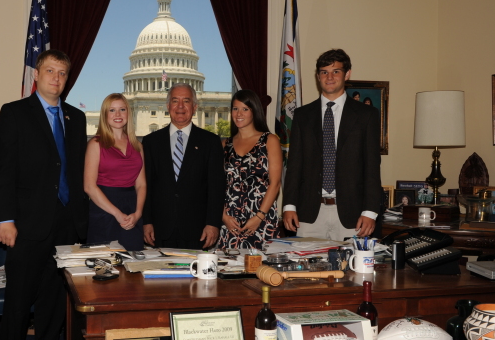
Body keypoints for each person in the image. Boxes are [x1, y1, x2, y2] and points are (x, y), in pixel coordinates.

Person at [0, 49, 87, 340]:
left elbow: (74, 172)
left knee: (54, 298)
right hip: (26, 224)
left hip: (66, 225)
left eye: (62, 73)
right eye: (50, 71)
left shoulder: (76, 118)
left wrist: (80, 224)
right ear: (37, 74)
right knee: (18, 297)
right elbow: (2, 171)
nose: (56, 78)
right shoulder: (15, 113)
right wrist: (6, 219)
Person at [283, 49, 381, 241]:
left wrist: (370, 212)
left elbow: (372, 167)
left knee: (352, 270)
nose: (329, 77)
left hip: (353, 215)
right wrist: (289, 206)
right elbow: (294, 165)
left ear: (347, 74)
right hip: (309, 214)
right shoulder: (302, 116)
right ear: (318, 76)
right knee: (307, 271)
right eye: (324, 72)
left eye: (335, 71)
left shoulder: (366, 115)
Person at [142, 83, 224, 250]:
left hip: (198, 230)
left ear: (194, 107)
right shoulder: (151, 142)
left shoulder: (210, 142)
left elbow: (216, 188)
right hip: (160, 229)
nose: (180, 106)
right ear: (167, 106)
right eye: (175, 101)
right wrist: (146, 221)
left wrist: (213, 224)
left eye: (186, 101)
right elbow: (146, 186)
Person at [218, 90, 282, 250]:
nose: (238, 114)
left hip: (261, 219)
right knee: (228, 270)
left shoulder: (270, 140)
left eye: (245, 109)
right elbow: (217, 186)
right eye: (235, 109)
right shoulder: (224, 145)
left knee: (262, 271)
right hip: (230, 222)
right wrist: (223, 216)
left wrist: (259, 217)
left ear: (254, 111)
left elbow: (275, 184)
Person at [84, 93, 146, 250]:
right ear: (105, 115)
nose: (118, 115)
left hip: (132, 210)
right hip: (104, 209)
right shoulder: (95, 144)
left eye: (122, 109)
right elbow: (89, 187)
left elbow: (141, 185)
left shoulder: (138, 146)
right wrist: (117, 214)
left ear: (128, 113)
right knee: (105, 268)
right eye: (112, 110)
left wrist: (138, 213)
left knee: (133, 265)